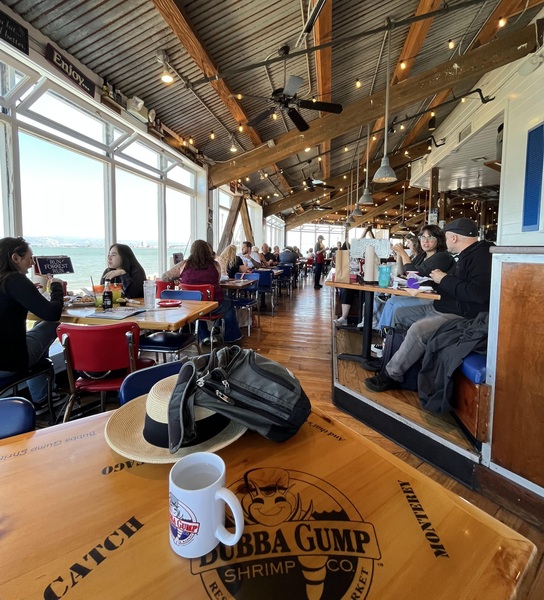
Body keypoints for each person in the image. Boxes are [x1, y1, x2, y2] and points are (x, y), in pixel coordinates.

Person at [365, 218, 493, 392]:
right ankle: (387, 359)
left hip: (459, 314)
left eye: (445, 237)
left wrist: (444, 279)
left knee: (418, 330)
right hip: (440, 306)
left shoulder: (481, 256)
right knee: (399, 313)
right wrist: (443, 279)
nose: (445, 242)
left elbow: (478, 293)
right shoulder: (467, 255)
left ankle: (391, 374)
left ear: (453, 237)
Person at [0, 236, 65, 413]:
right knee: (53, 325)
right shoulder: (14, 279)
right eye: (29, 258)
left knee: (38, 326)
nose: (32, 263)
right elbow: (52, 314)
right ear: (15, 258)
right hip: (10, 362)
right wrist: (56, 287)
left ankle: (43, 397)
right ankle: (42, 398)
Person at [163, 239, 242, 344]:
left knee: (196, 306)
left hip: (190, 307)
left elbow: (165, 277)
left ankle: (204, 335)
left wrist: (177, 279)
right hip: (213, 306)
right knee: (229, 302)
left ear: (192, 251)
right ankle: (231, 336)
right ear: (207, 250)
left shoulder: (183, 265)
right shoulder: (215, 265)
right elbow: (217, 279)